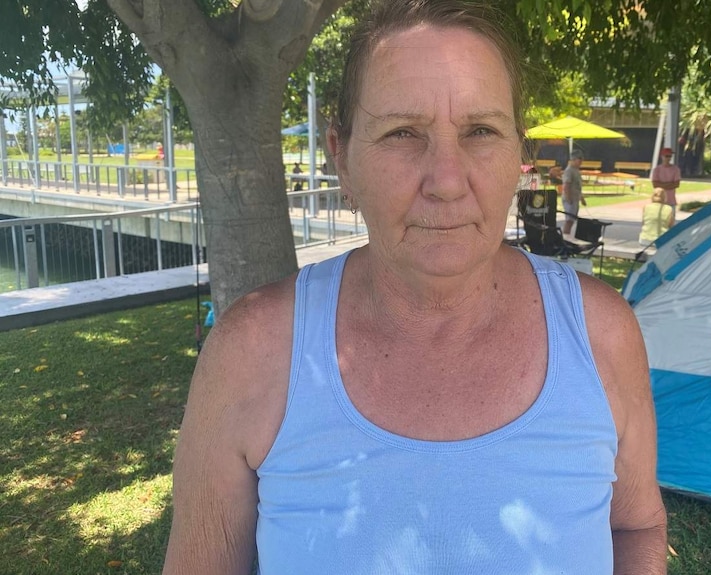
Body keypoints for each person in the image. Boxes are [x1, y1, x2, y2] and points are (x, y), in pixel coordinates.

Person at [161, 1, 666, 574]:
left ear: (519, 155)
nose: (447, 181)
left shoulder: (602, 334)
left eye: (481, 130)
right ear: (341, 158)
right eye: (403, 133)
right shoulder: (252, 354)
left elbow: (637, 526)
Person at [562, 149, 588, 237]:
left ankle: (567, 236)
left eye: (582, 159)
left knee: (572, 220)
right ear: (573, 159)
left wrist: (582, 198)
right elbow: (566, 185)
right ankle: (565, 237)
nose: (581, 161)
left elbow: (577, 187)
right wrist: (569, 199)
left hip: (575, 199)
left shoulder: (576, 171)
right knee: (569, 220)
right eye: (579, 159)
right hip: (570, 199)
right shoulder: (569, 170)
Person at [651, 147, 681, 216]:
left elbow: (676, 184)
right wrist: (670, 184)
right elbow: (655, 185)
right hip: (658, 201)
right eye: (666, 156)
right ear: (662, 156)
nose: (668, 158)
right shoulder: (657, 170)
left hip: (671, 201)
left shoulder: (676, 169)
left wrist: (661, 185)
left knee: (671, 223)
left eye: (670, 156)